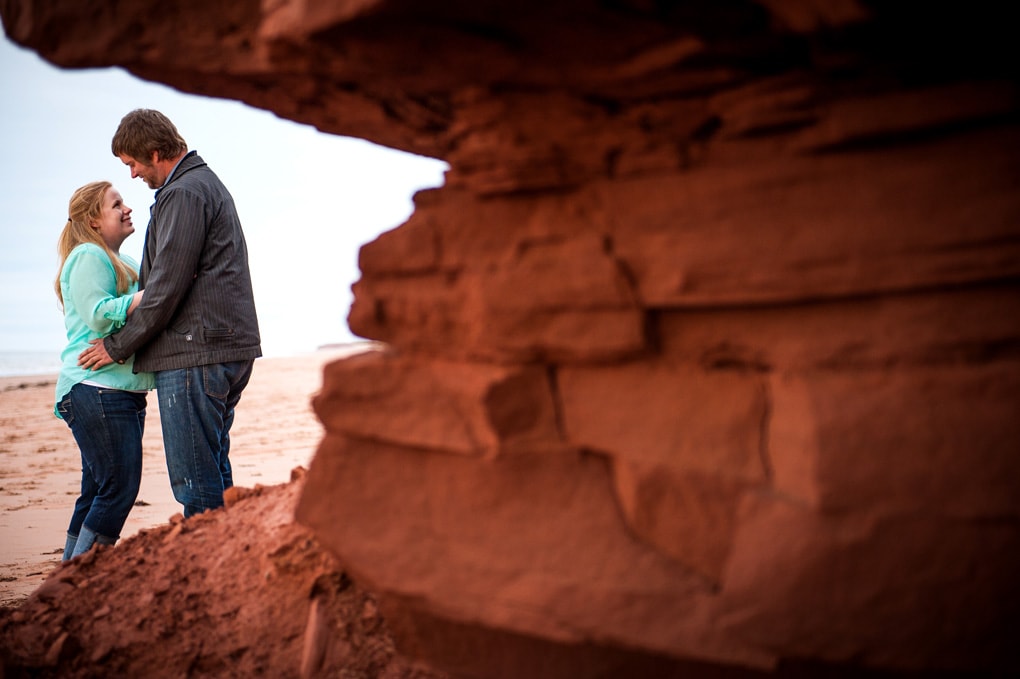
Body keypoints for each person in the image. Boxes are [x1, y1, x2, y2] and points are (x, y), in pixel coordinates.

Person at [78, 109, 262, 518]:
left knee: (195, 480)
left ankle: (209, 572)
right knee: (213, 469)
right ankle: (225, 562)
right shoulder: (198, 186)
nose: (131, 175)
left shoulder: (185, 192)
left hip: (197, 352)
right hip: (219, 346)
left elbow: (165, 288)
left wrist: (117, 346)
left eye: (132, 164)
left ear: (155, 153)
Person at [55, 181, 154, 559]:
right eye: (116, 204)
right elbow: (98, 315)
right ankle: (80, 579)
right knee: (118, 487)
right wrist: (147, 296)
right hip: (96, 388)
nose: (127, 208)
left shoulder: (123, 262)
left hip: (115, 390)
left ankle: (67, 581)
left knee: (98, 489)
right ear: (93, 221)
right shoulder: (87, 256)